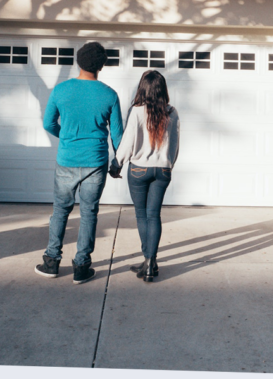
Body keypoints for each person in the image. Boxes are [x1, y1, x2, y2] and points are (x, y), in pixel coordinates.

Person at [35, 41, 123, 285]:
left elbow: (47, 124)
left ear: (78, 61)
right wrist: (118, 163)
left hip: (67, 160)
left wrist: (65, 136)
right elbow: (118, 136)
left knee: (61, 210)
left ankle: (51, 262)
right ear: (102, 66)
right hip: (95, 161)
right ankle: (82, 267)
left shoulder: (61, 90)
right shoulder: (109, 94)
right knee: (89, 212)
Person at [113, 70, 179, 282]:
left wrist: (117, 164)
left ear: (143, 88)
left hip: (139, 169)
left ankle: (148, 260)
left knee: (142, 216)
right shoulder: (172, 112)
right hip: (162, 170)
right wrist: (168, 165)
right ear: (163, 89)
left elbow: (128, 141)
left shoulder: (137, 110)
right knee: (154, 215)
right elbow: (175, 145)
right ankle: (150, 263)